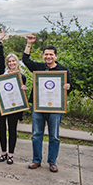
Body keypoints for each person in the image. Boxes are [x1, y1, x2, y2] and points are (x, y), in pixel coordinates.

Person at [23, 35, 71, 173]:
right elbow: (25, 60)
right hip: (38, 106)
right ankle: (36, 160)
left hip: (55, 107)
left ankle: (52, 162)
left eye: (51, 54)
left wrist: (68, 86)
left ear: (55, 56)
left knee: (54, 135)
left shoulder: (63, 70)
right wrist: (29, 44)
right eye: (46, 54)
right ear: (43, 56)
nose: (48, 57)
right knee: (36, 133)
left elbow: (69, 85)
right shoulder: (39, 67)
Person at [0, 30, 28, 165]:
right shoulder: (3, 73)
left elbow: (22, 95)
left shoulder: (21, 76)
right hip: (0, 105)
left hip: (13, 107)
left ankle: (11, 155)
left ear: (17, 62)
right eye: (9, 61)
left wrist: (24, 89)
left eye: (13, 61)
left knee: (12, 130)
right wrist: (0, 43)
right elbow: (0, 58)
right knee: (1, 128)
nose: (11, 63)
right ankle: (3, 152)